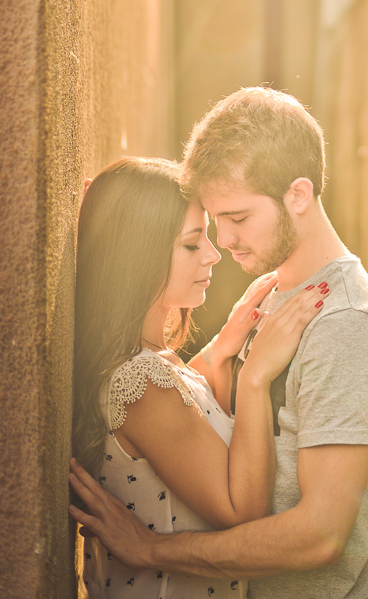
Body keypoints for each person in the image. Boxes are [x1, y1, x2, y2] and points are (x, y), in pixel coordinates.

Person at [71, 87, 368, 599]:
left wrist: (150, 548)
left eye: (238, 219)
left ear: (298, 195)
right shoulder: (274, 297)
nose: (222, 244)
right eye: (211, 222)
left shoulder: (346, 326)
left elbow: (319, 536)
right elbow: (197, 421)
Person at [73, 155, 327, 598]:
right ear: (139, 254)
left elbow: (185, 418)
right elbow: (242, 512)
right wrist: (254, 379)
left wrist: (222, 349)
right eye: (193, 243)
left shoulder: (150, 366)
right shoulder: (143, 382)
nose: (213, 254)